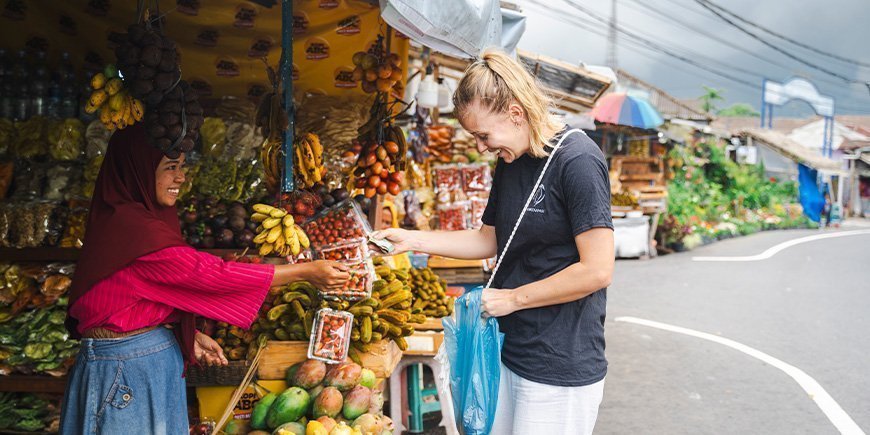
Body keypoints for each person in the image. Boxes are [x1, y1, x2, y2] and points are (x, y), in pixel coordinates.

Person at [371, 49, 615, 434]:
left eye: (483, 135)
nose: (482, 147)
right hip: (507, 348)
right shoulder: (511, 160)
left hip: (559, 360)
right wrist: (409, 239)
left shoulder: (578, 160)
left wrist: (511, 298)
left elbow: (597, 270)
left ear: (516, 113)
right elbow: (488, 240)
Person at [59, 124, 350, 434]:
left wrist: (178, 332)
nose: (181, 177)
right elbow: (208, 274)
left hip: (139, 365)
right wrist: (306, 271)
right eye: (171, 167)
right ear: (139, 171)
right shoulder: (132, 230)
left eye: (182, 166)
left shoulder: (134, 220)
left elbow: (133, 297)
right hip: (125, 370)